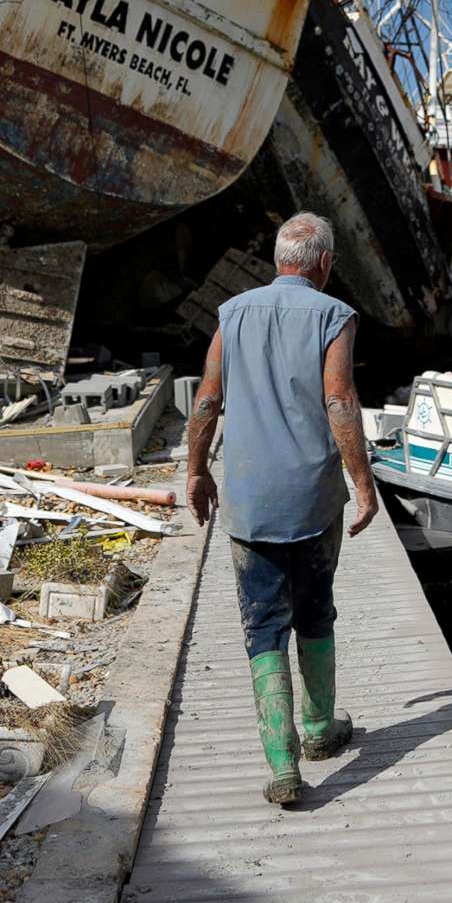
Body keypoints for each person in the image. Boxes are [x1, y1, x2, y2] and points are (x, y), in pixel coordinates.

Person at [184, 212, 379, 806]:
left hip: (247, 495)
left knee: (262, 623)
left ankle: (283, 765)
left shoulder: (232, 313)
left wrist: (195, 470)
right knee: (315, 609)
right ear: (323, 262)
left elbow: (208, 398)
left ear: (277, 261)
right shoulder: (334, 315)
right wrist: (363, 484)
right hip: (313, 498)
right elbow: (340, 402)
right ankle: (320, 730)